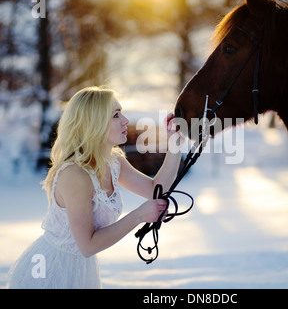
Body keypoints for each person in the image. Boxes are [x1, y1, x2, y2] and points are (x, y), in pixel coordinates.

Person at [7, 86, 183, 288]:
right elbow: (87, 245)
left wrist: (175, 144)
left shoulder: (113, 161)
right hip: (50, 272)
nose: (125, 120)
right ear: (94, 123)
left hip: (83, 269)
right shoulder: (74, 175)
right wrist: (139, 216)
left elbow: (155, 189)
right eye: (116, 115)